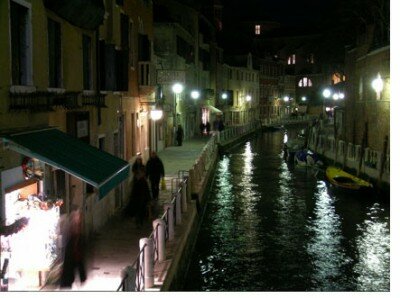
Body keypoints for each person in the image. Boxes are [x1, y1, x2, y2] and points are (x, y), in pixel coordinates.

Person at [60, 205, 87, 289]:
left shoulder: (75, 223)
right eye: (77, 215)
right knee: (74, 265)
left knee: (76, 264)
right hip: (72, 247)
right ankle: (70, 281)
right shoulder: (71, 223)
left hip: (74, 247)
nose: (78, 217)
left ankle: (73, 280)